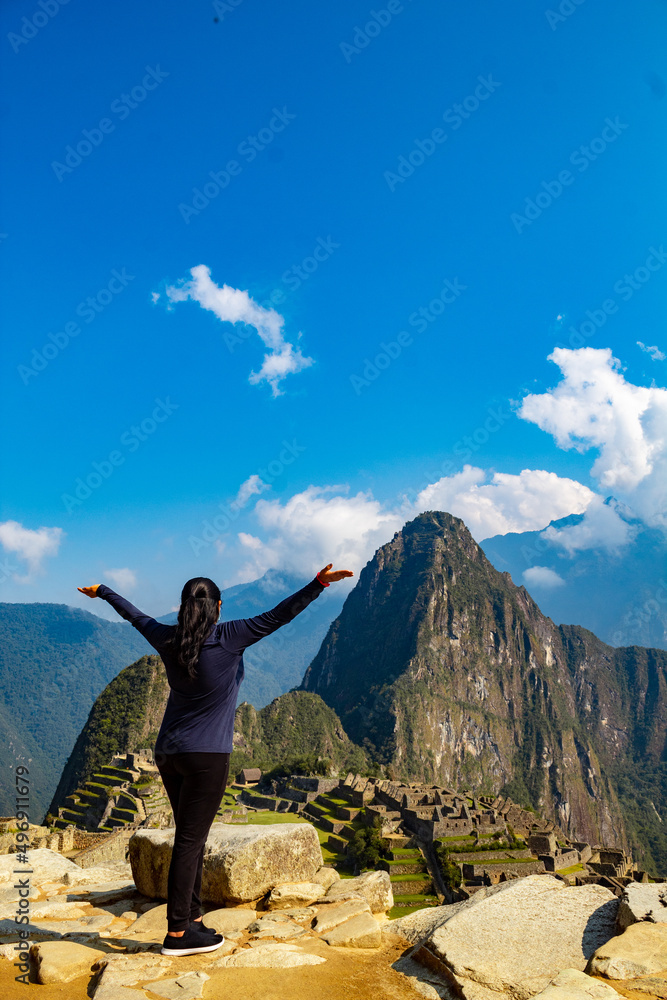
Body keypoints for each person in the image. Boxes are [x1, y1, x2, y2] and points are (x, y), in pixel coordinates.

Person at [78, 562, 353, 957]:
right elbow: (280, 615)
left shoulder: (167, 638)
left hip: (168, 753)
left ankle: (192, 919)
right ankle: (177, 933)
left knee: (191, 838)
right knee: (190, 842)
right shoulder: (230, 636)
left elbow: (134, 616)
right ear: (218, 607)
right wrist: (317, 584)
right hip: (206, 756)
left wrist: (103, 590)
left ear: (183, 607)